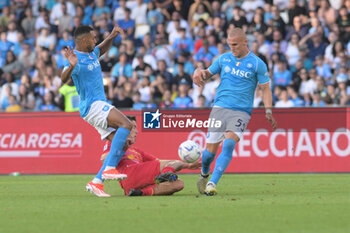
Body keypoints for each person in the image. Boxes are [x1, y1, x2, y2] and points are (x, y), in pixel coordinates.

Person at [192, 28, 277, 196]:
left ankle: (212, 183)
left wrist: (268, 109)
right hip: (220, 107)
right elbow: (206, 74)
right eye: (230, 45)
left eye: (235, 45)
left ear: (245, 42)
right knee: (209, 153)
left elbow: (265, 88)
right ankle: (204, 173)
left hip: (241, 111)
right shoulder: (223, 59)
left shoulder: (257, 63)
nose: (232, 48)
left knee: (230, 143)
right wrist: (198, 71)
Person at [61, 24, 133, 197]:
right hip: (92, 105)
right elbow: (63, 79)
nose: (95, 40)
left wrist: (112, 36)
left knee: (124, 143)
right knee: (126, 124)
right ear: (85, 40)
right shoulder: (75, 58)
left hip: (97, 106)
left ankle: (97, 182)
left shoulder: (92, 53)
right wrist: (71, 66)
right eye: (93, 38)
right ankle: (109, 168)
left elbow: (102, 48)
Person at [100, 116, 201, 196]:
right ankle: (167, 174)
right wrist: (121, 147)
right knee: (174, 164)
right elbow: (103, 159)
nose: (137, 131)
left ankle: (140, 193)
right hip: (128, 173)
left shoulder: (137, 151)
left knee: (178, 184)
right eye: (133, 127)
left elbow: (160, 161)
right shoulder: (115, 143)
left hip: (131, 184)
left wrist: (187, 166)